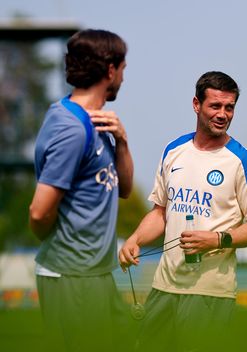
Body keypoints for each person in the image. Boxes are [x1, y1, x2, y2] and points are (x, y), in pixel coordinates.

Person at [119, 71, 247, 351]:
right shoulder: (173, 150)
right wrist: (135, 240)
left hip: (210, 292)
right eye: (215, 106)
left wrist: (216, 239)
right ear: (196, 104)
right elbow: (160, 212)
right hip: (163, 288)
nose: (223, 114)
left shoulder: (243, 160)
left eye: (230, 107)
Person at [28, 29, 133, 352]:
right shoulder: (72, 128)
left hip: (96, 275)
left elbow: (124, 190)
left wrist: (123, 143)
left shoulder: (96, 122)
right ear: (110, 70)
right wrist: (61, 246)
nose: (124, 78)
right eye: (123, 69)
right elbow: (38, 211)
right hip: (72, 277)